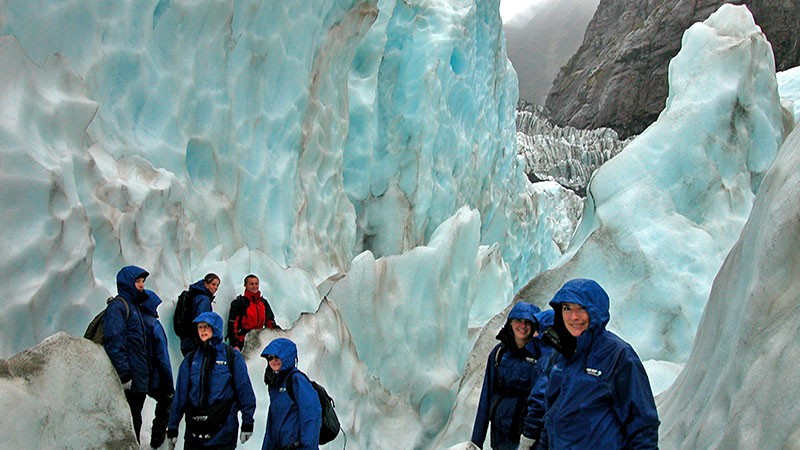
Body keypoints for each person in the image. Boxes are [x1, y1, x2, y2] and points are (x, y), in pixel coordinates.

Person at [518, 278, 660, 450]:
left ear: (596, 311)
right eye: (567, 308)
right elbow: (553, 415)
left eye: (582, 308)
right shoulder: (561, 355)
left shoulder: (618, 354)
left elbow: (642, 424)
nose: (574, 316)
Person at [167, 311, 256, 450]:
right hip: (195, 433)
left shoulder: (231, 357)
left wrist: (248, 422)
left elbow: (244, 389)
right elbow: (180, 395)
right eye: (199, 327)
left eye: (206, 326)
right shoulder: (190, 360)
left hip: (223, 432)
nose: (202, 330)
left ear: (215, 328)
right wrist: (172, 427)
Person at [469, 302, 551, 450]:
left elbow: (541, 398)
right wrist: (476, 442)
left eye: (528, 322)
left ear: (535, 325)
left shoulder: (542, 355)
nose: (523, 326)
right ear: (510, 322)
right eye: (518, 320)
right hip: (499, 431)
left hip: (523, 431)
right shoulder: (499, 353)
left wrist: (529, 436)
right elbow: (486, 397)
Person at [103, 265, 150, 443]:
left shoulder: (134, 308)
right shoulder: (119, 307)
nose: (141, 285)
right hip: (129, 380)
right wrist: (124, 374)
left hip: (137, 378)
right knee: (128, 425)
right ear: (127, 283)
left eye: (143, 281)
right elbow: (114, 340)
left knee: (134, 421)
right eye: (137, 281)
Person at [260, 337, 322, 450]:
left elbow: (311, 414)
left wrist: (308, 447)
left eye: (277, 356)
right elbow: (273, 423)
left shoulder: (297, 380)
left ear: (287, 356)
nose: (273, 360)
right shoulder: (275, 385)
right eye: (270, 358)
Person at [140, 289, 174, 449]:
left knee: (134, 409)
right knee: (166, 403)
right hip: (154, 375)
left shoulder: (134, 320)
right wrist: (168, 383)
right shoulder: (153, 324)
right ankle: (157, 440)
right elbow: (162, 357)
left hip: (136, 374)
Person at [227, 274, 278, 350]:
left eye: (256, 284)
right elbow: (233, 325)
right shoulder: (239, 303)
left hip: (260, 339)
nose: (254, 286)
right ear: (245, 285)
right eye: (251, 284)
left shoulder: (263, 303)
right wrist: (234, 344)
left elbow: (270, 321)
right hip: (243, 341)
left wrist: (278, 333)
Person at [180, 273, 221, 357]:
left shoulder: (196, 295)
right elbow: (202, 321)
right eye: (213, 284)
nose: (215, 288)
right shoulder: (203, 300)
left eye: (217, 285)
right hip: (195, 341)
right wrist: (204, 341)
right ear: (206, 284)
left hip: (188, 339)